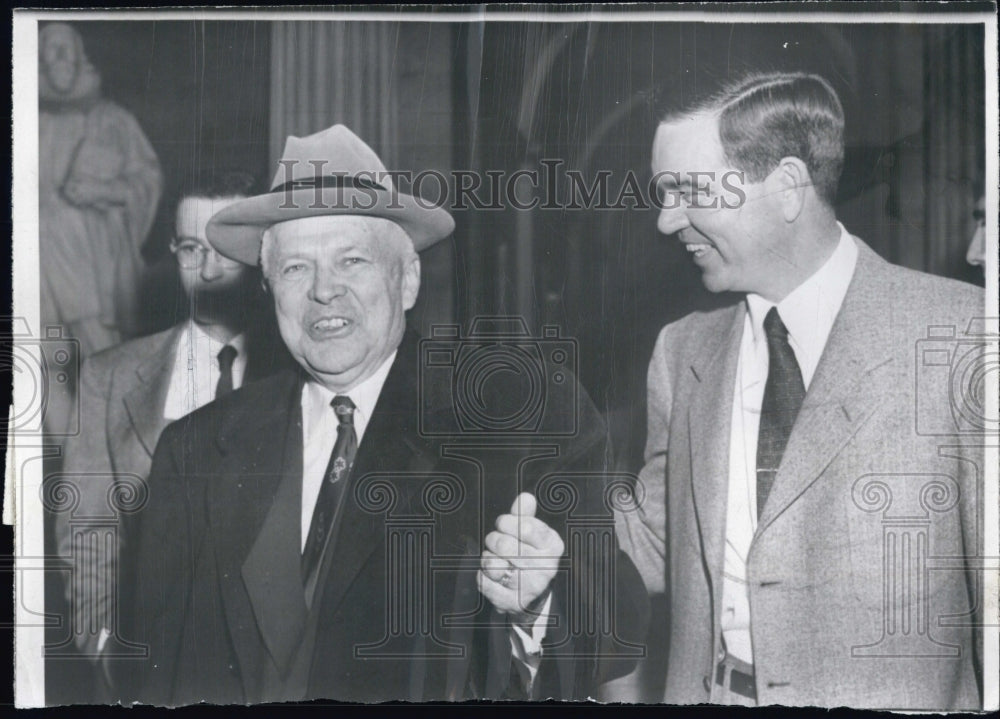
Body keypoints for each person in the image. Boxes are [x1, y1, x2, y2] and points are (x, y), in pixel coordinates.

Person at [128, 125, 647, 704]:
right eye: (296, 268)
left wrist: (540, 600)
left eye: (351, 260)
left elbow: (615, 630)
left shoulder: (519, 411)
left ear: (408, 280)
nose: (324, 291)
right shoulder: (196, 449)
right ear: (269, 290)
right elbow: (157, 674)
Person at [616, 72, 984, 709]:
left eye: (688, 191)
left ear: (787, 186)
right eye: (663, 194)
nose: (665, 219)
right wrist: (552, 556)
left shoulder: (960, 337)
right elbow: (654, 540)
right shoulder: (683, 351)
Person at [54, 171, 289, 700]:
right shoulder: (108, 378)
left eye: (225, 250)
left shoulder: (300, 373)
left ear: (261, 254)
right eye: (190, 248)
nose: (208, 270)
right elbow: (87, 537)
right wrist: (109, 653)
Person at [38, 22, 163, 442]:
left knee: (105, 366)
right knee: (47, 368)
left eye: (66, 48)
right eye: (50, 49)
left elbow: (146, 180)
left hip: (92, 274)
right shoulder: (24, 121)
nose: (59, 57)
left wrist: (103, 191)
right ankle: (71, 466)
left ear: (81, 56)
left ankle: (119, 462)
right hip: (39, 275)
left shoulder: (113, 121)